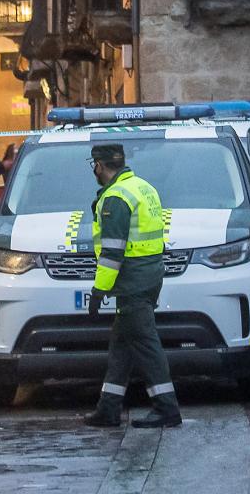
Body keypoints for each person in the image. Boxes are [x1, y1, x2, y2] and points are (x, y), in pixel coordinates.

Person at [82, 143, 179, 429]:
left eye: (95, 166)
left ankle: (167, 408)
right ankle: (108, 409)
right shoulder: (143, 187)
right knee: (122, 345)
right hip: (150, 274)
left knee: (146, 344)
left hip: (132, 281)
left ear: (100, 165)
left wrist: (99, 291)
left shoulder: (115, 198)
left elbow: (112, 254)